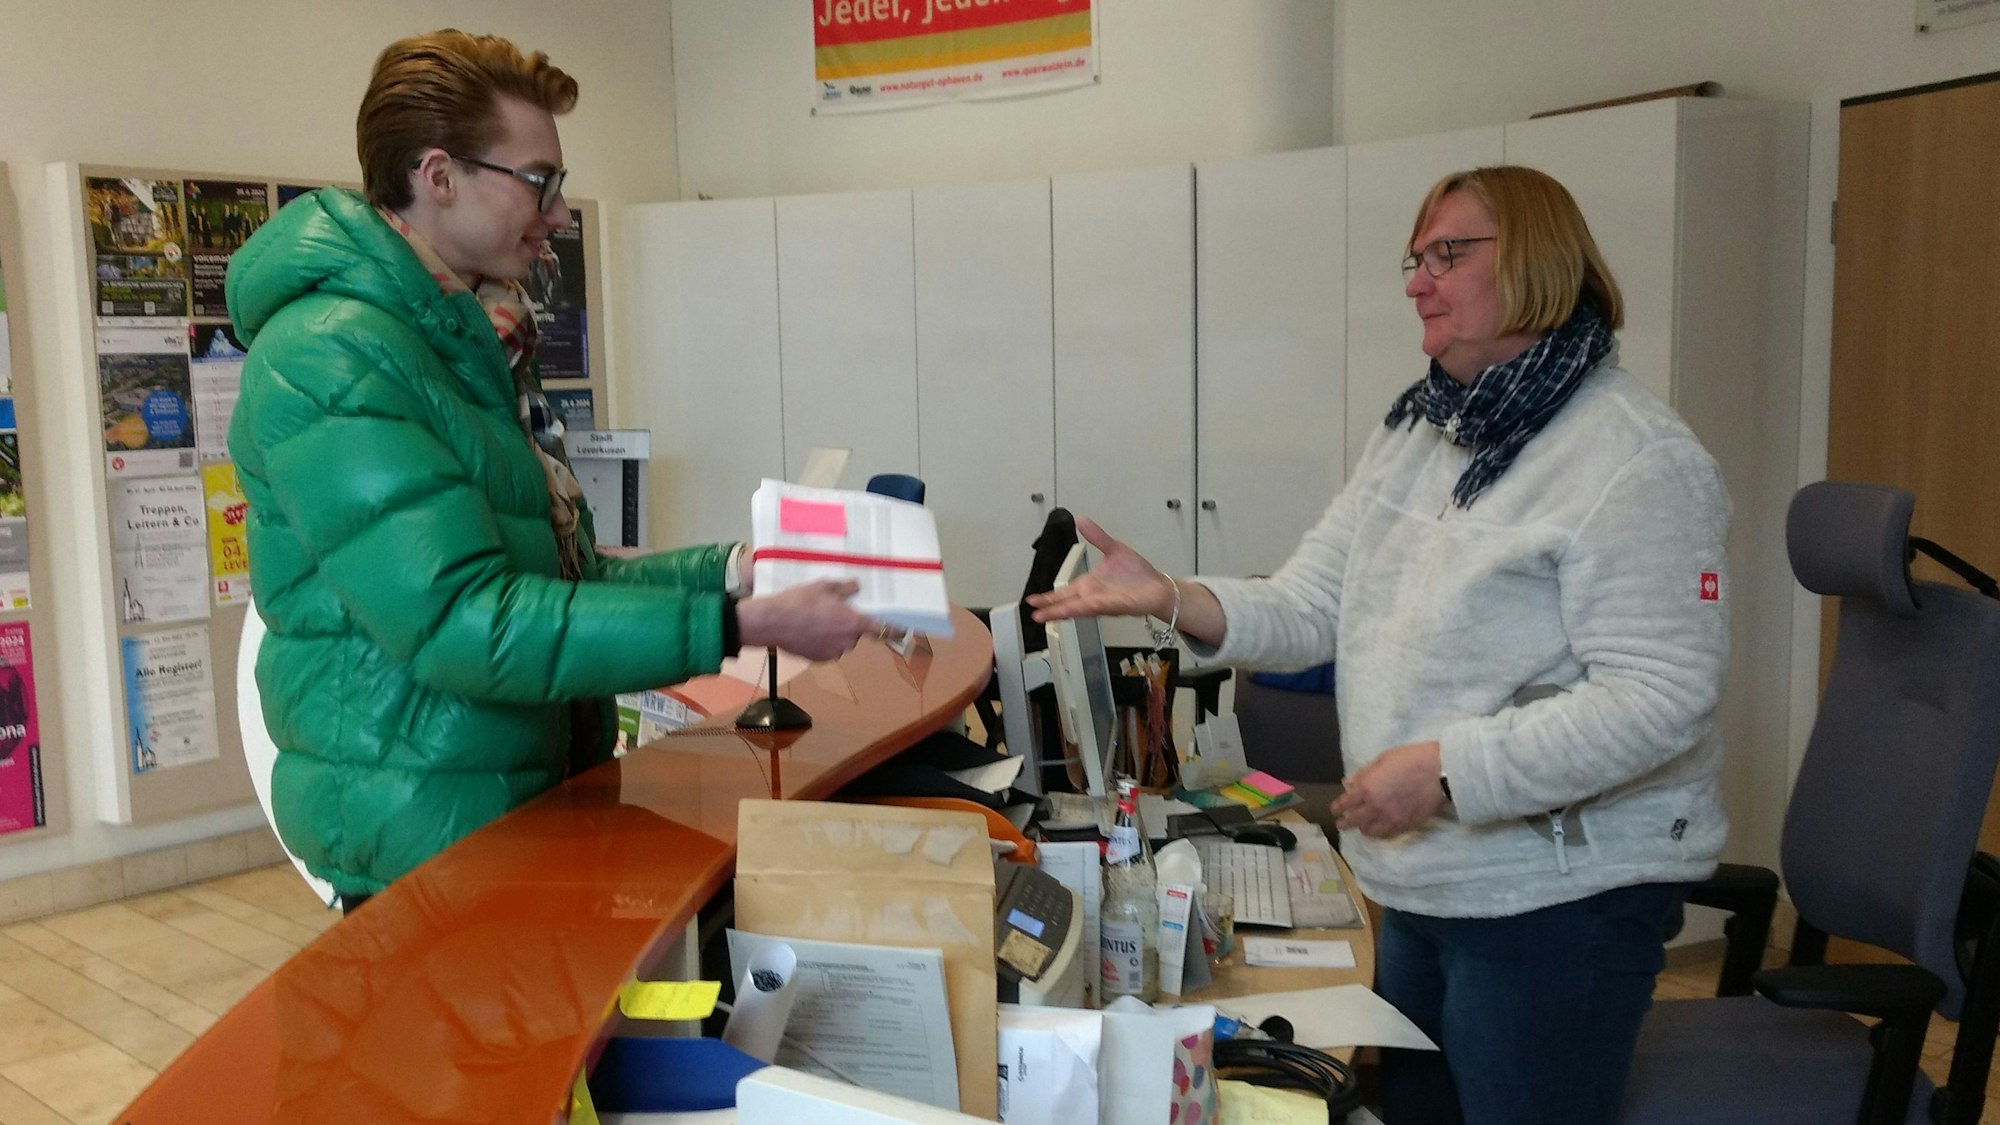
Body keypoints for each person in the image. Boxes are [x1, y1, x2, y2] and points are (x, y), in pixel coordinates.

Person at [1031, 166, 1729, 1124]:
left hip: (1559, 900)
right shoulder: (1425, 430)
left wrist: (1445, 771)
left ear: (1536, 261)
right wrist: (1174, 598)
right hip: (1427, 878)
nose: (1417, 280)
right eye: (1416, 257)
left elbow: (1663, 694)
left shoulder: (1633, 456)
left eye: (1449, 253)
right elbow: (1317, 602)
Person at [226, 30, 871, 911]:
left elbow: (564, 576)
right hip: (425, 847)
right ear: (437, 174)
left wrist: (733, 572)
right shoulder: (332, 357)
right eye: (541, 182)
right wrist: (737, 622)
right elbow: (465, 622)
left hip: (508, 810)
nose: (561, 214)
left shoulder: (460, 341)